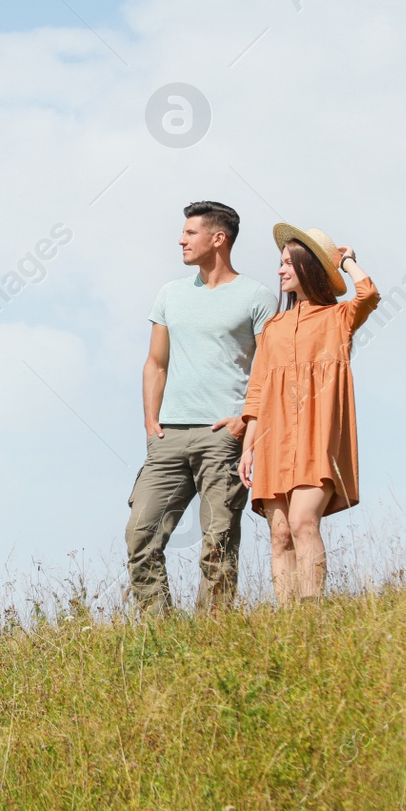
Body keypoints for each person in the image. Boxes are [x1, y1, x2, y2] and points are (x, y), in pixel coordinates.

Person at [126, 201, 276, 614]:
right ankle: (159, 633)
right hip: (168, 437)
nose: (181, 240)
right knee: (141, 535)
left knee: (218, 542)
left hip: (222, 437)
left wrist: (247, 420)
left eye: (190, 233)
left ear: (218, 238)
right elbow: (156, 362)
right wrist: (150, 421)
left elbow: (269, 369)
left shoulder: (256, 296)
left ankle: (213, 633)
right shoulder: (170, 294)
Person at [238, 223, 378, 604]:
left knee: (302, 522)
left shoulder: (339, 319)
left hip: (317, 437)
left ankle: (311, 615)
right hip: (273, 438)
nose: (280, 270)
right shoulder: (273, 328)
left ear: (309, 267)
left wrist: (346, 262)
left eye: (288, 263)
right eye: (280, 263)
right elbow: (256, 391)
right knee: (280, 534)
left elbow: (369, 294)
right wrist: (248, 448)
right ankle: (289, 623)